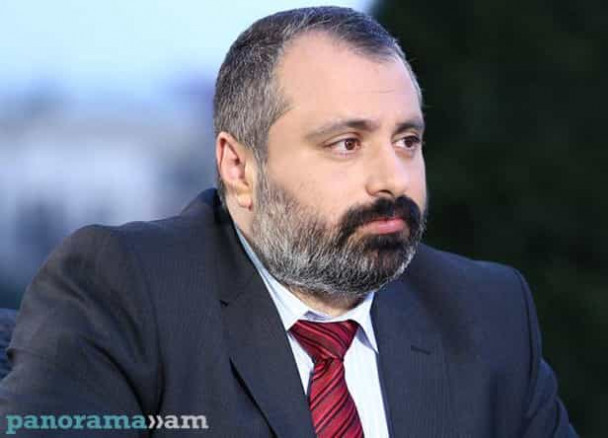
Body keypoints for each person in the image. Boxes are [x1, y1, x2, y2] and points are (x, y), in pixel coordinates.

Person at [0, 6, 577, 437]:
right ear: (239, 167)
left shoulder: (487, 313)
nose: (392, 180)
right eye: (347, 144)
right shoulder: (122, 291)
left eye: (407, 141)